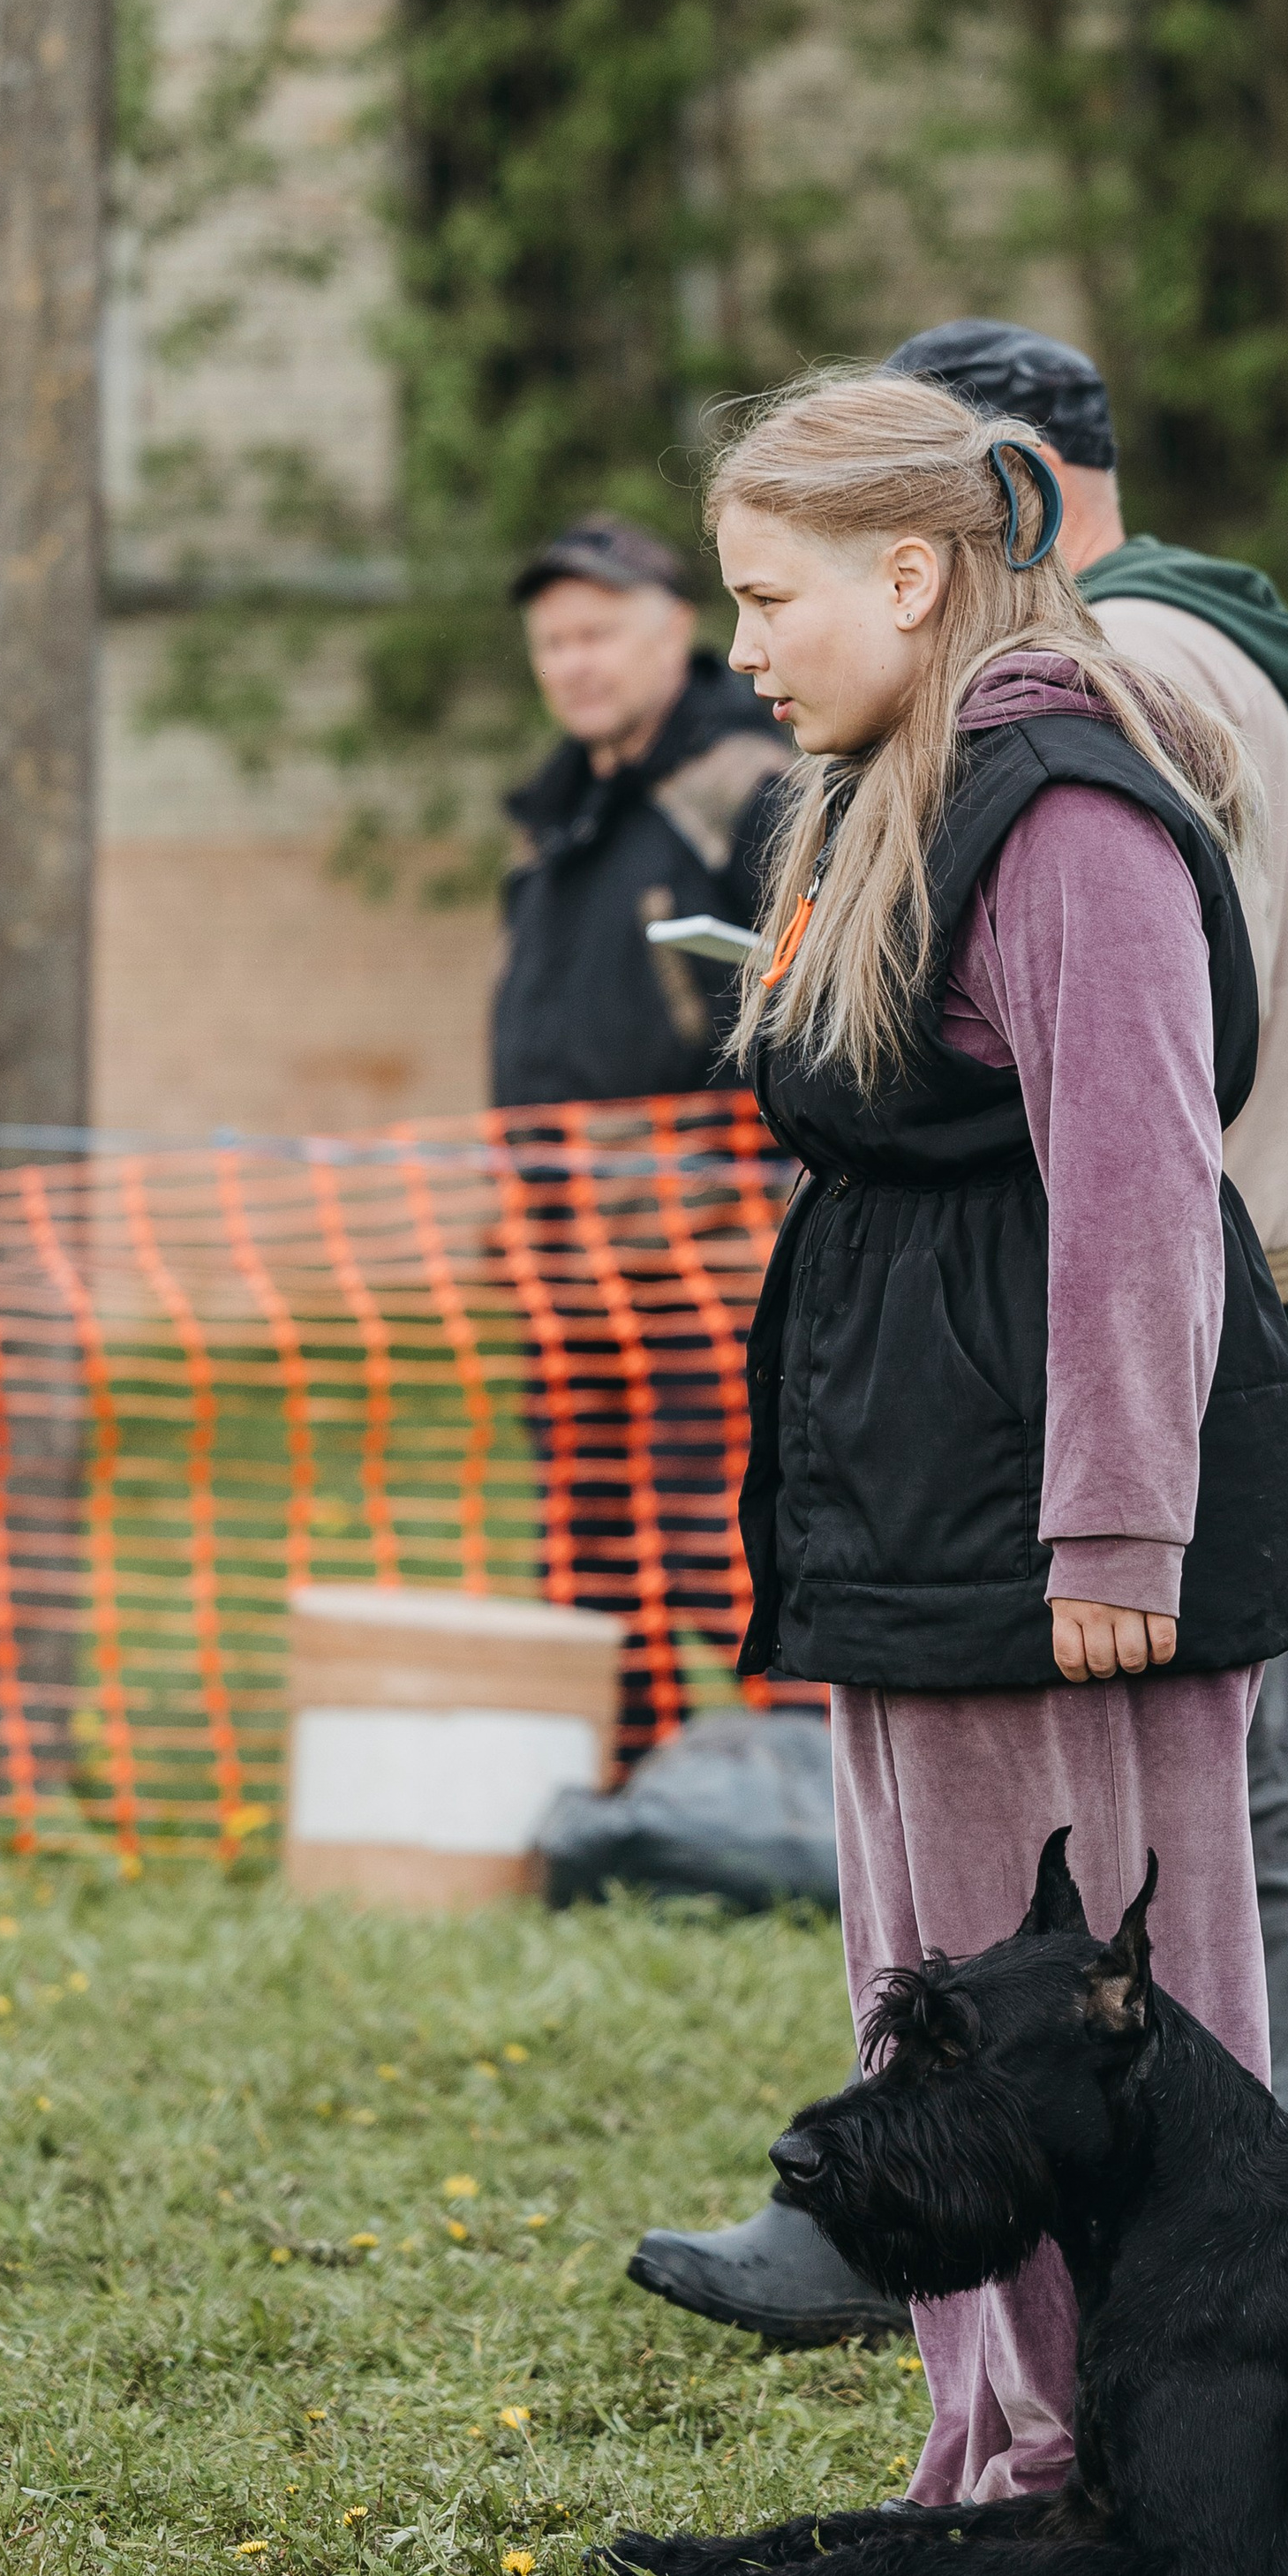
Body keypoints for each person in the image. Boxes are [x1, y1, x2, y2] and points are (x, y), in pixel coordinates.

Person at [628, 322, 1288, 2353]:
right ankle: (1001, 2426)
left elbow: (1138, 1190)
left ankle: (1127, 2437)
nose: (745, 649)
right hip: (922, 1488)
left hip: (1048, 1526)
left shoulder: (1061, 816)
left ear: (908, 573)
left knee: (1081, 2031)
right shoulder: (898, 791)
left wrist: (1117, 1527)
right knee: (937, 2001)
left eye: (767, 598)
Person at [497, 514, 791, 1759]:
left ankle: (799, 1794)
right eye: (552, 641)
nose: (574, 663)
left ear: (675, 629)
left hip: (710, 1248)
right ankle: (621, 1794)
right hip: (561, 1252)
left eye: (599, 632)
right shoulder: (555, 815)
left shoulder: (748, 783)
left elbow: (814, 1002)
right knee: (587, 1535)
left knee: (718, 1528)